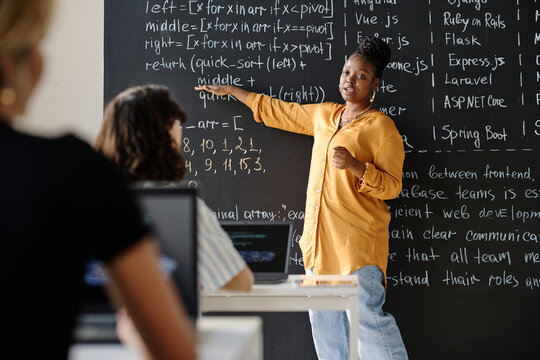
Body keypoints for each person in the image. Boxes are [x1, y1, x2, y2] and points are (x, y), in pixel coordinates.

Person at [0, 1, 196, 359]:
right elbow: (175, 349)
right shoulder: (73, 170)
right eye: (38, 43)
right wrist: (132, 334)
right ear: (11, 64)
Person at [196, 36, 408, 360]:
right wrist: (236, 92)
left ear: (375, 83)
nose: (350, 80)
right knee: (326, 331)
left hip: (355, 245)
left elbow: (392, 186)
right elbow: (282, 112)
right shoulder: (325, 115)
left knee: (368, 324)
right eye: (347, 72)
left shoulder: (382, 127)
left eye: (361, 76)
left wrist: (355, 166)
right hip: (318, 246)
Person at [95, 84, 254, 293]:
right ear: (165, 138)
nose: (180, 129)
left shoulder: (87, 199)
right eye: (176, 123)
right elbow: (239, 282)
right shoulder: (180, 208)